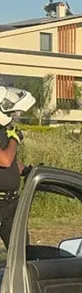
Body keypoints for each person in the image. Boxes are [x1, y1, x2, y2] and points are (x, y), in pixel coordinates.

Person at [0, 86, 34, 249]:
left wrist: (26, 170)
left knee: (21, 250)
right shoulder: (9, 135)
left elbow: (11, 163)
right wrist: (15, 139)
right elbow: (5, 160)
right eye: (11, 113)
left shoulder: (2, 132)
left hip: (11, 202)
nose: (15, 116)